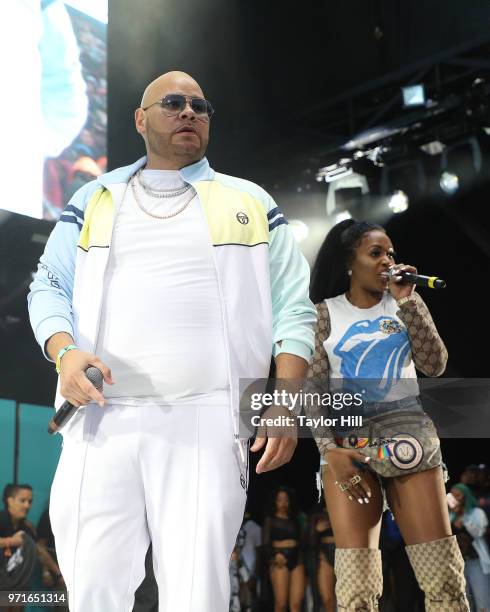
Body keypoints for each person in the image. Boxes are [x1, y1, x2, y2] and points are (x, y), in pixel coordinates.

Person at [27, 70, 316, 612]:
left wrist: (288, 401)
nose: (189, 112)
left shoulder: (250, 200)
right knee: (91, 590)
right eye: (173, 103)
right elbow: (48, 285)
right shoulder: (94, 197)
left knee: (197, 595)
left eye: (200, 106)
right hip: (98, 420)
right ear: (140, 119)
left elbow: (293, 308)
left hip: (207, 420)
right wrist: (64, 352)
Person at [305, 219, 470, 610]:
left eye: (391, 254)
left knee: (442, 577)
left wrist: (409, 301)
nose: (388, 261)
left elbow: (435, 365)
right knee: (356, 589)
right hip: (348, 443)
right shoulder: (323, 314)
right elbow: (312, 391)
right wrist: (329, 451)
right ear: (349, 262)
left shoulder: (404, 304)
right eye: (376, 253)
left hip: (408, 434)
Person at [0, 485, 63, 612]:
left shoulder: (26, 528)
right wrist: (11, 541)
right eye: (22, 501)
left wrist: (57, 575)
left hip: (14, 587)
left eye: (30, 501)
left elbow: (39, 551)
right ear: (9, 500)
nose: (27, 506)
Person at [262, 487, 306, 612]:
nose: (283, 503)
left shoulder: (296, 519)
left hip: (296, 559)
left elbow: (302, 541)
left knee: (296, 604)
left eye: (286, 500)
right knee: (281, 604)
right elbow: (265, 544)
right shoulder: (270, 520)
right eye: (279, 500)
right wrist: (274, 555)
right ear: (275, 502)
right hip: (278, 558)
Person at [450, 483, 490, 611]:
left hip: (475, 561)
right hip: (456, 565)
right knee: (464, 602)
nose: (455, 498)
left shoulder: (477, 513)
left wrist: (464, 516)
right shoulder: (450, 516)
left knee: (482, 600)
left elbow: (478, 533)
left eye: (459, 495)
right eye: (453, 495)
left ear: (466, 496)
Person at [308, 500, 336, 612]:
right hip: (324, 555)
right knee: (327, 600)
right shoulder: (317, 515)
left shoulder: (343, 508)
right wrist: (316, 530)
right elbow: (309, 543)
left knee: (346, 597)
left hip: (343, 552)